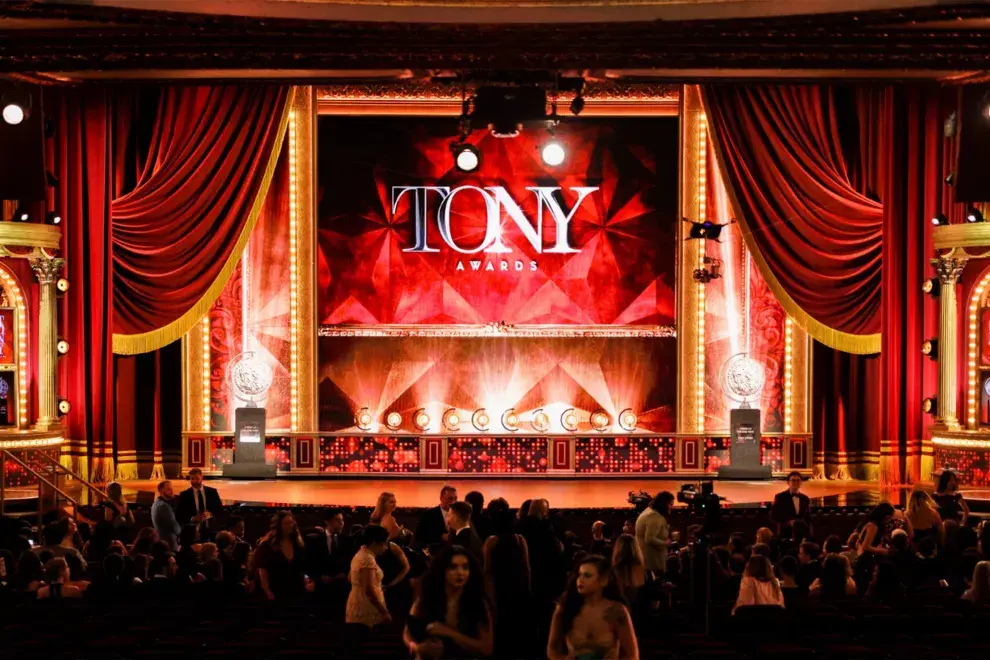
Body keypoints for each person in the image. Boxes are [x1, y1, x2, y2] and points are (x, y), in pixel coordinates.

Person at [404, 546, 493, 658]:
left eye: (465, 567)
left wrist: (448, 632)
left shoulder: (478, 601)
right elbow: (407, 633)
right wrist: (416, 647)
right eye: (453, 567)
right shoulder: (427, 597)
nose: (460, 573)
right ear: (442, 569)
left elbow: (487, 648)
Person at [547, 555, 639, 660]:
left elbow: (632, 655)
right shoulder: (566, 607)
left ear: (603, 580)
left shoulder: (616, 611)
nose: (580, 580)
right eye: (579, 575)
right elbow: (552, 650)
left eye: (587, 575)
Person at [483, 504, 533, 658]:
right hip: (518, 590)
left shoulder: (491, 542)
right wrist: (528, 590)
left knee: (501, 630)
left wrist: (489, 596)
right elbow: (527, 567)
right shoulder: (519, 539)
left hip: (500, 591)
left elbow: (487, 571)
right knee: (517, 630)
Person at [346, 524, 393, 628]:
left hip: (357, 601)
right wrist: (384, 612)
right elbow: (368, 589)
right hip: (366, 607)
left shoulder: (360, 554)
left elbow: (350, 578)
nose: (386, 548)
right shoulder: (368, 559)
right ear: (375, 543)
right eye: (385, 544)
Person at [254, 510, 308, 601]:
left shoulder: (298, 544)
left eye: (291, 523)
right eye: (286, 524)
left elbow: (303, 566)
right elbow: (263, 571)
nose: (290, 526)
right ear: (279, 526)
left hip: (296, 590)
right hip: (276, 589)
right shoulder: (268, 545)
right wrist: (267, 590)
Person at [635, 491, 673, 576]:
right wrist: (666, 543)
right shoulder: (653, 516)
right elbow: (649, 539)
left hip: (647, 563)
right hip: (652, 564)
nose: (672, 507)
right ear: (664, 504)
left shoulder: (650, 512)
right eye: (670, 504)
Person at [175, 468, 224, 533]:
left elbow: (220, 509)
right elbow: (179, 514)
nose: (195, 481)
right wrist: (193, 518)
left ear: (202, 477)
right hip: (191, 530)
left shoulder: (212, 492)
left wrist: (210, 514)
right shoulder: (184, 495)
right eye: (192, 479)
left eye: (197, 479)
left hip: (211, 527)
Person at [611, 534, 646, 607]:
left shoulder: (611, 572)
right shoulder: (646, 572)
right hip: (641, 614)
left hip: (617, 614)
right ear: (636, 548)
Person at [448, 501, 484, 568]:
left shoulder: (459, 540)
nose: (447, 519)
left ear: (455, 517)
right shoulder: (474, 537)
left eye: (449, 515)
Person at [151, 480, 181, 551]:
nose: (172, 491)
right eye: (169, 490)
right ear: (161, 491)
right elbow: (173, 526)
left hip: (164, 540)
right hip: (170, 542)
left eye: (172, 489)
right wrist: (183, 535)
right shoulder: (163, 506)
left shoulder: (156, 503)